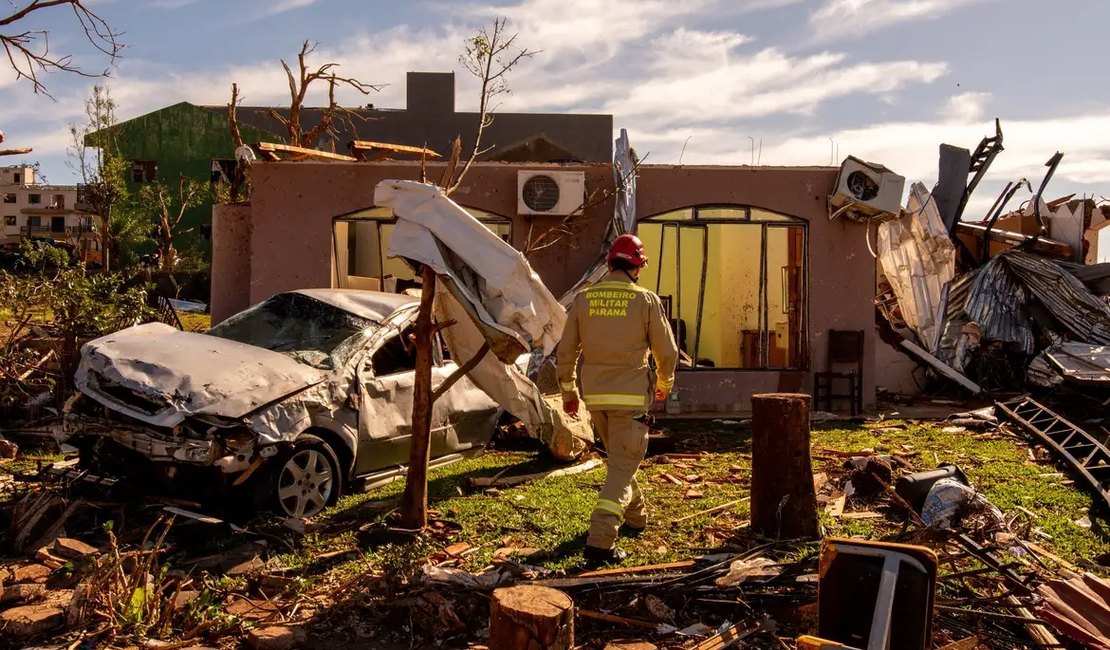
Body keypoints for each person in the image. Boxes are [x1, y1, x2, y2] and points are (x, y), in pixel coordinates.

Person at [556, 233, 679, 567]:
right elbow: (667, 353)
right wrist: (664, 384)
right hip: (631, 399)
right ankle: (600, 541)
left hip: (596, 399)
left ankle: (637, 518)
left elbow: (566, 353)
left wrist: (569, 392)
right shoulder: (646, 300)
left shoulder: (584, 299)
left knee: (621, 463)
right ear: (636, 267)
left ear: (610, 264)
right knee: (623, 467)